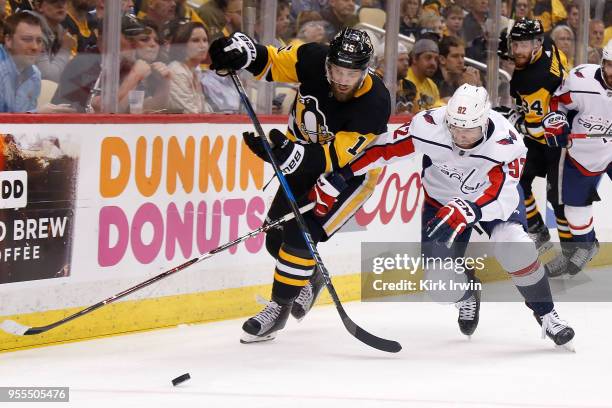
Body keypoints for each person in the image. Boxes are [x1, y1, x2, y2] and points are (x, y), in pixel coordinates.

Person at [310, 84, 576, 347]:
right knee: (440, 287)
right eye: (455, 128)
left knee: (516, 247)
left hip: (490, 200)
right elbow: (385, 149)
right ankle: (467, 293)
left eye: (468, 130)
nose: (460, 137)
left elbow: (502, 196)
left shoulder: (506, 144)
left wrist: (472, 210)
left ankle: (547, 315)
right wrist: (342, 176)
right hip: (441, 203)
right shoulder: (429, 125)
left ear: (484, 123)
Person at [208, 27, 390, 343]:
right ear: (328, 63)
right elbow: (270, 62)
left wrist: (283, 154)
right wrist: (239, 51)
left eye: (352, 72)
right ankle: (312, 275)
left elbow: (335, 157)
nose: (343, 79)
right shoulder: (311, 58)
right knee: (274, 237)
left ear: (365, 70)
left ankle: (278, 311)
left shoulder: (375, 101)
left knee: (300, 231)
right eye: (337, 70)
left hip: (348, 177)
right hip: (304, 162)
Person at [495, 18, 571, 276]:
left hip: (557, 140)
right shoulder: (547, 45)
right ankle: (537, 228)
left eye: (524, 45)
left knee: (558, 197)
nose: (517, 51)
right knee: (520, 177)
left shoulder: (534, 80)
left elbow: (541, 129)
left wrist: (518, 122)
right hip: (552, 131)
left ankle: (572, 251)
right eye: (515, 44)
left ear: (537, 44)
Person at [540, 39, 612, 276]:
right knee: (574, 212)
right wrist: (556, 122)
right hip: (583, 152)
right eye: (611, 65)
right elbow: (557, 104)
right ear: (602, 63)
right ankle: (587, 244)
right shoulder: (581, 81)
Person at [0, 11, 72, 112]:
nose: (35, 47)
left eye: (39, 41)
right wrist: (35, 115)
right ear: (8, 40)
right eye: (27, 39)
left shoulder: (34, 74)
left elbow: (22, 122)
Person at [167, 21, 210, 113]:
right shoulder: (177, 71)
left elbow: (205, 110)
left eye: (205, 40)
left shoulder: (194, 71)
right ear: (182, 45)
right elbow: (190, 113)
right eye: (195, 40)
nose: (202, 46)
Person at [29, 0, 75, 82]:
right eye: (53, 1)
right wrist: (65, 49)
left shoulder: (60, 32)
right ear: (39, 6)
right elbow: (48, 79)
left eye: (64, 2)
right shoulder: (31, 30)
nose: (60, 6)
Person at [407, 38, 443, 112]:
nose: (433, 63)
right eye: (428, 57)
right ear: (414, 59)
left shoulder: (432, 85)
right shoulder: (405, 81)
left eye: (436, 59)